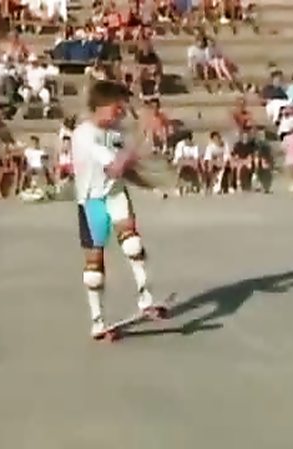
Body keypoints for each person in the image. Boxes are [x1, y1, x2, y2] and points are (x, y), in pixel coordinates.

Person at [71, 80, 165, 339]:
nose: (121, 112)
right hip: (91, 201)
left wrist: (152, 186)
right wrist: (142, 137)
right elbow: (115, 167)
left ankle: (146, 299)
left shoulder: (116, 132)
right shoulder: (84, 135)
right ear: (101, 106)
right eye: (117, 107)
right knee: (94, 269)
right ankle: (98, 322)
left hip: (115, 194)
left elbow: (124, 172)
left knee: (133, 245)